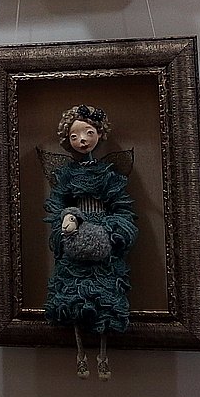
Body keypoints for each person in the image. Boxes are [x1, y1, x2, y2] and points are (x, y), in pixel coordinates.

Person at [43, 104, 136, 380]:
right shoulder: (67, 176)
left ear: (99, 134)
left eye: (88, 133)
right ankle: (80, 354)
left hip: (103, 244)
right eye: (74, 136)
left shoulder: (109, 175)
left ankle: (103, 357)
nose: (82, 140)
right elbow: (57, 204)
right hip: (74, 243)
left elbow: (122, 207)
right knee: (74, 297)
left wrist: (110, 232)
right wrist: (66, 221)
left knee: (104, 298)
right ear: (67, 140)